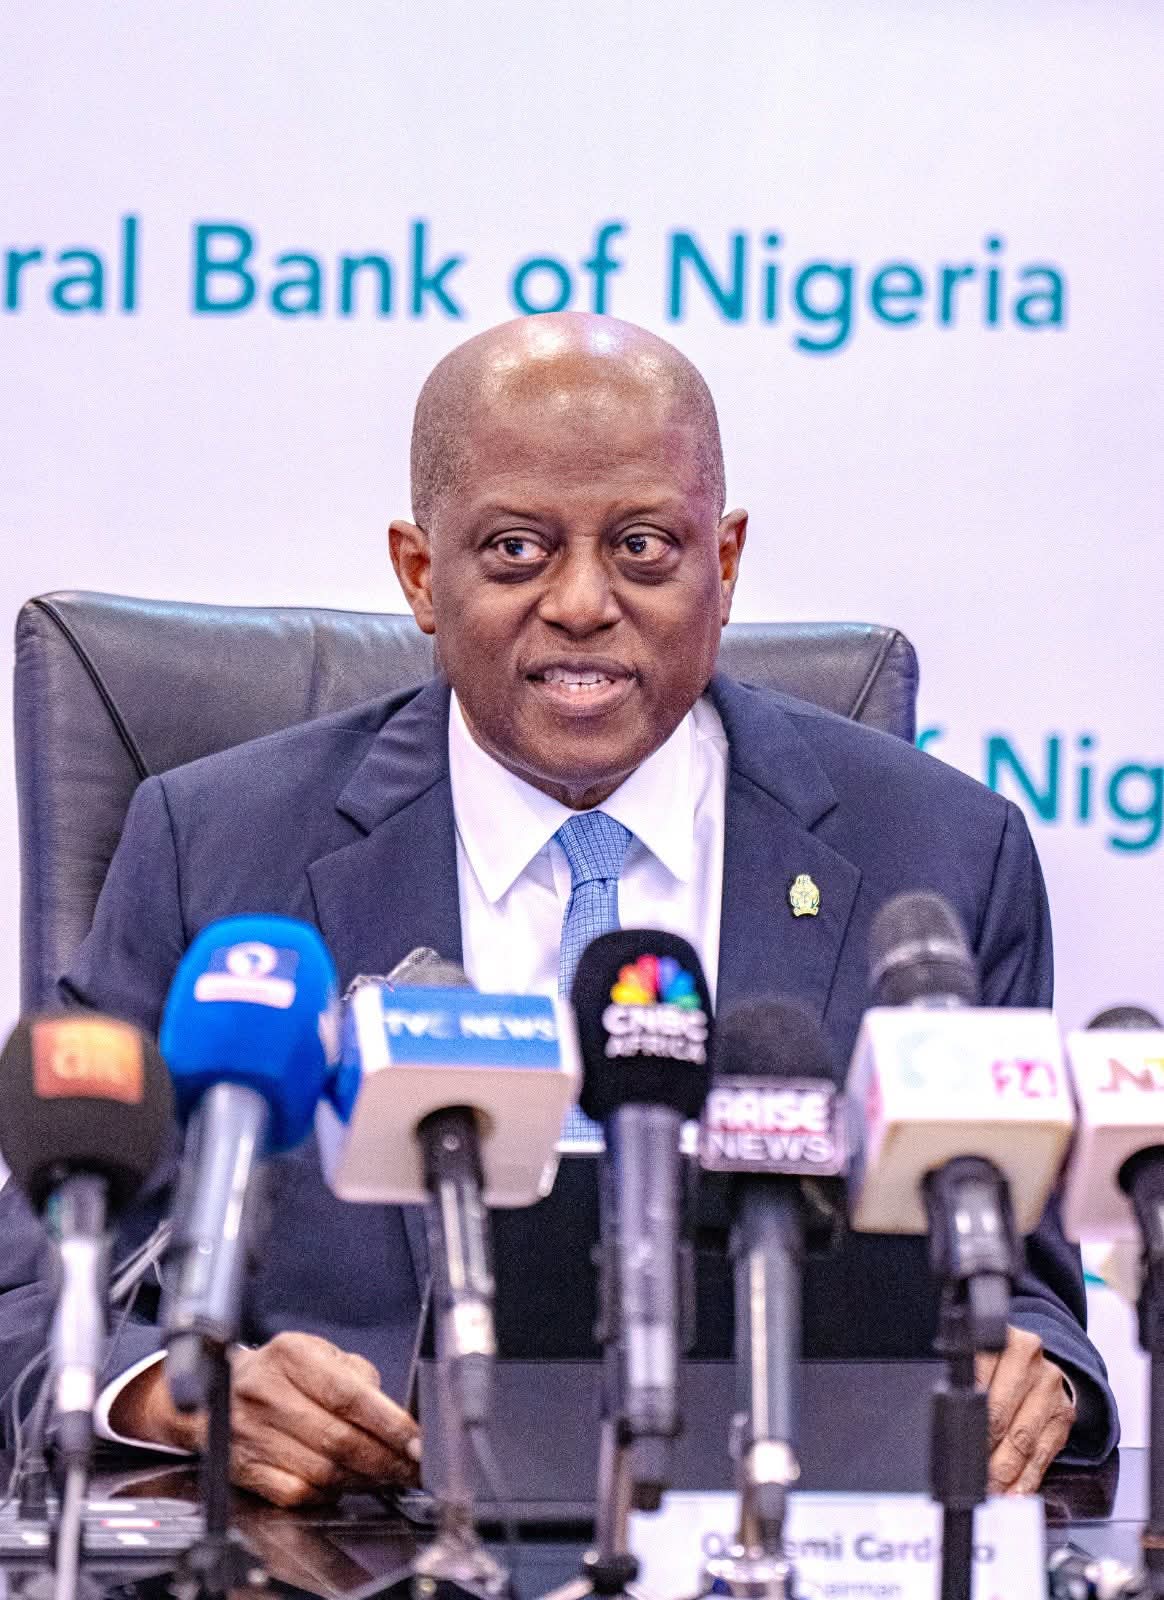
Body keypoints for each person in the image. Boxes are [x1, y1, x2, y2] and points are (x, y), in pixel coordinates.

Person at [0, 313, 1115, 1507]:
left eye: (643, 546)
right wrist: (173, 1391)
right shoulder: (219, 847)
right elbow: (36, 1286)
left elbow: (1030, 1287)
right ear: (421, 574)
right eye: (517, 549)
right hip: (355, 1546)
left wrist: (1036, 1373)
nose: (583, 601)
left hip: (794, 1535)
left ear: (725, 561)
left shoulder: (938, 853)